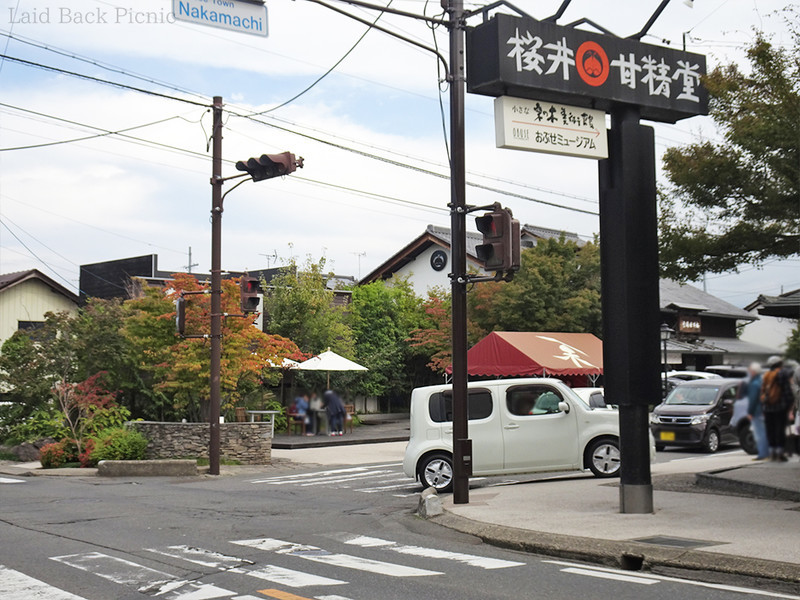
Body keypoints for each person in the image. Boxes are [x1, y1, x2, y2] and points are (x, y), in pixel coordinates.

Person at [760, 356, 795, 462]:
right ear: (780, 364)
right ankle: (780, 453)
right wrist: (790, 406)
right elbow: (787, 392)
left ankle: (772, 453)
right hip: (780, 407)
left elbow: (763, 392)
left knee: (770, 430)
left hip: (767, 407)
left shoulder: (766, 375)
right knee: (780, 430)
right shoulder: (783, 374)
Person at [744, 362, 768, 460]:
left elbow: (753, 399)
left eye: (750, 371)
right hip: (764, 409)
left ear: (753, 371)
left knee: (759, 433)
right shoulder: (762, 381)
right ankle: (767, 452)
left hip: (757, 411)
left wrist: (750, 412)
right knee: (764, 432)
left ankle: (762, 454)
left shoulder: (754, 383)